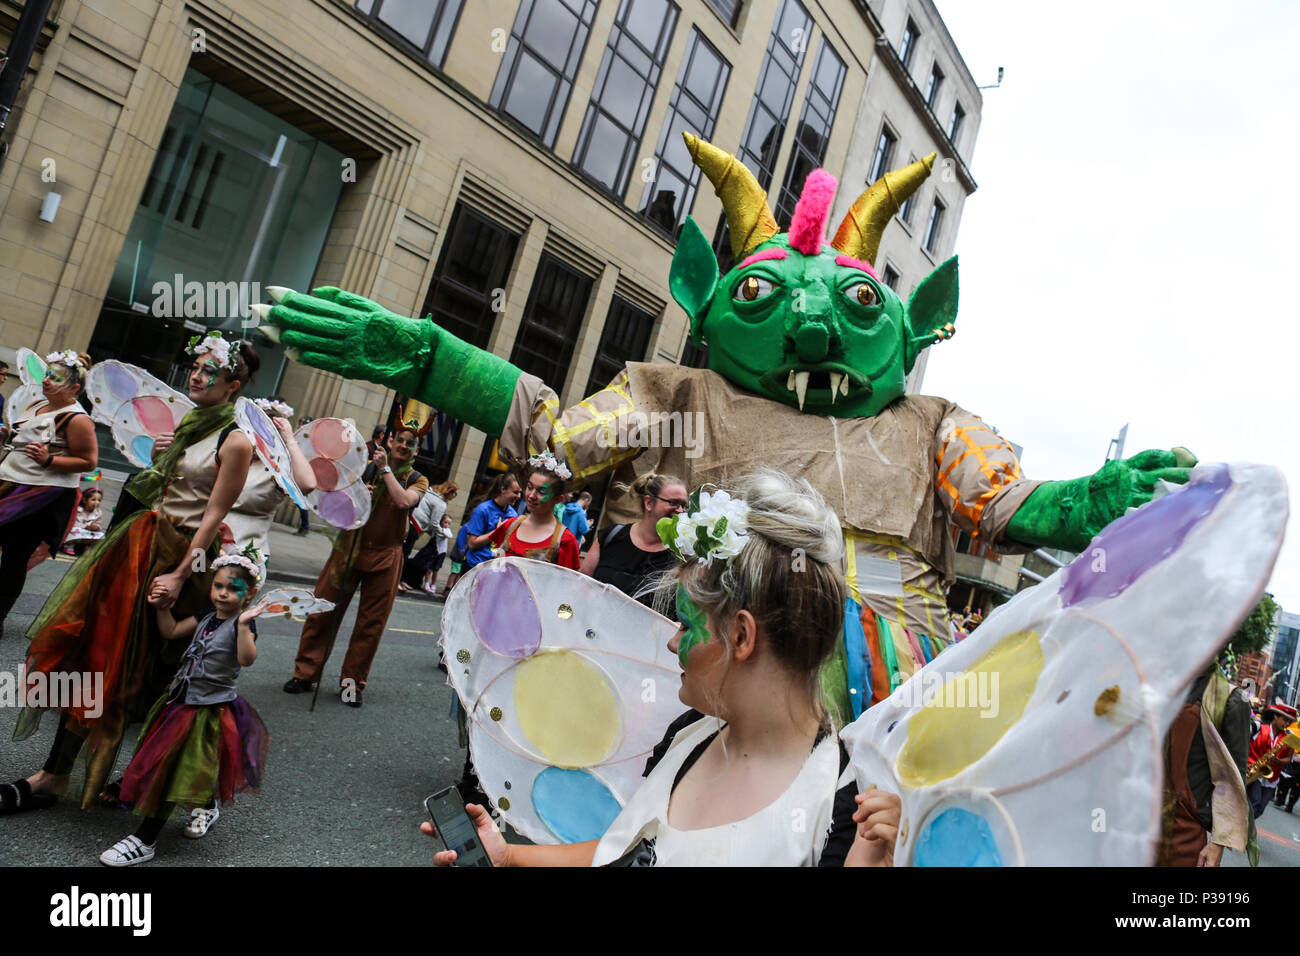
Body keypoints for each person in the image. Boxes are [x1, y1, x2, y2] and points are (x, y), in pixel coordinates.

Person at [424, 471, 901, 867]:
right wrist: (507, 858)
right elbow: (622, 847)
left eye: (688, 623)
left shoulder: (847, 809)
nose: (673, 640)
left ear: (741, 636)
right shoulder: (689, 733)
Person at [3, 332, 258, 813]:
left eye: (209, 371)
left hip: (181, 559)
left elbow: (212, 515)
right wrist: (168, 451)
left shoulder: (237, 440)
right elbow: (166, 485)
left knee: (150, 674)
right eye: (196, 367)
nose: (196, 377)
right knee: (94, 654)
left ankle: (144, 779)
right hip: (139, 546)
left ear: (234, 385)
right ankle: (53, 775)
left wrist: (182, 575)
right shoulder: (191, 425)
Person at [99, 556, 269, 866]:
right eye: (218, 585)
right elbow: (172, 631)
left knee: (171, 768)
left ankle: (145, 839)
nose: (222, 593)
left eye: (233, 588)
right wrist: (163, 608)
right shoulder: (207, 615)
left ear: (250, 593)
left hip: (207, 710)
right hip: (180, 700)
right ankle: (207, 805)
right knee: (184, 764)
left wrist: (244, 626)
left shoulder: (243, 624)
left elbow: (247, 659)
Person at [284, 427, 428, 708]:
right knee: (322, 610)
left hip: (386, 556)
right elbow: (333, 498)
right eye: (398, 439)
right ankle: (305, 674)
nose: (402, 446)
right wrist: (359, 492)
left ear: (416, 451)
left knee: (370, 626)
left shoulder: (417, 479)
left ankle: (351, 684)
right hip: (349, 547)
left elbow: (403, 501)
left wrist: (385, 472)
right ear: (389, 441)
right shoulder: (364, 467)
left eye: (409, 444)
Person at [0, 350, 97, 633]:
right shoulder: (38, 405)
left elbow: (89, 461)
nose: (47, 381)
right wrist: (9, 436)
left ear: (74, 389)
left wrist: (49, 460)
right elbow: (25, 439)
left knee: (15, 557)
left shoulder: (77, 419)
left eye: (56, 378)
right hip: (11, 484)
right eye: (47, 375)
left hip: (41, 497)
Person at [1157, 660, 1251, 867]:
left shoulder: (1234, 699)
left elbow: (1233, 780)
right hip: (1134, 819)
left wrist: (1217, 843)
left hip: (1182, 835)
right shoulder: (1156, 684)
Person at [222, 396, 317, 562]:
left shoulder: (278, 469)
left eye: (261, 431)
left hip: (245, 555)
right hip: (207, 544)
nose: (252, 435)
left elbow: (308, 484)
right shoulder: (232, 455)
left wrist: (289, 440)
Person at [580, 473, 685, 606]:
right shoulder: (611, 536)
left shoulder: (680, 555)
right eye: (673, 503)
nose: (680, 511)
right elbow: (582, 583)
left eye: (683, 505)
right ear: (649, 503)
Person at [476, 453, 580, 570]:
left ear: (558, 499)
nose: (531, 495)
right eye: (529, 487)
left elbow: (566, 585)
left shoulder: (566, 541)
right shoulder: (510, 526)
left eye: (542, 491)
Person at [400, 480, 458, 591]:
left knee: (402, 551)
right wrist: (443, 533)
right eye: (454, 494)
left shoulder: (430, 492)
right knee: (404, 554)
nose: (454, 497)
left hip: (408, 520)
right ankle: (397, 580)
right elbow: (434, 523)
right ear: (449, 492)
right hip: (415, 527)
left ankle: (402, 579)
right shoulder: (441, 503)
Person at [1248, 705, 1296, 818]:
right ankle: (1242, 830)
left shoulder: (1290, 737)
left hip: (1272, 777)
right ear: (1275, 716)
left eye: (1289, 721)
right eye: (1285, 720)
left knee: (1260, 808)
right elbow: (1242, 743)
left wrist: (1279, 761)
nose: (1287, 724)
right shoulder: (1258, 727)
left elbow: (1289, 758)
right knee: (1254, 802)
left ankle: (1244, 827)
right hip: (1253, 771)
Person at [62, 486, 105, 556]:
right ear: (85, 500)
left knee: (101, 535)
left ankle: (87, 547)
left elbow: (99, 523)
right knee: (73, 530)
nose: (97, 502)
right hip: (77, 531)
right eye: (93, 500)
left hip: (87, 533)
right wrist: (86, 526)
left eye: (99, 500)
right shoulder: (77, 510)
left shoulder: (98, 512)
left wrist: (97, 527)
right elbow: (72, 523)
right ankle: (69, 545)